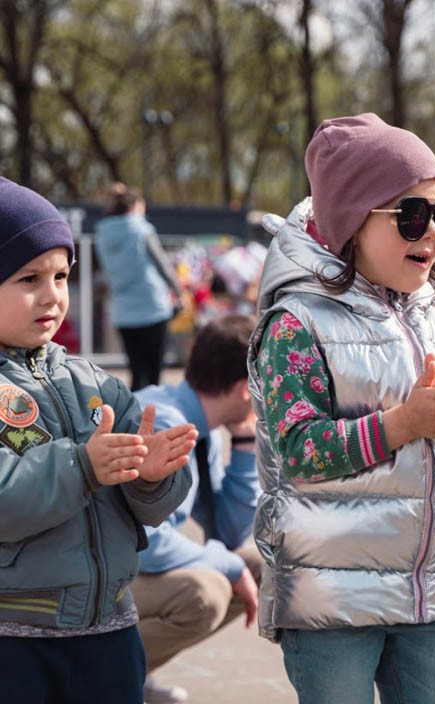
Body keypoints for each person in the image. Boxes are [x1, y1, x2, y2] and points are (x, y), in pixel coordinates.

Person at [248, 113, 435, 704]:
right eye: (411, 216)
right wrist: (404, 423)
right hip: (329, 599)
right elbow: (300, 453)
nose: (432, 233)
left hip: (429, 591)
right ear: (351, 222)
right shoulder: (296, 322)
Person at [0, 177, 197, 704]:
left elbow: (149, 506)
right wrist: (81, 466)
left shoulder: (95, 382)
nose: (52, 295)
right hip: (14, 641)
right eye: (28, 278)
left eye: (62, 276)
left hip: (109, 629)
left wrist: (153, 476)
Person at [131, 314, 261, 704]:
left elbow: (228, 533)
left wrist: (244, 446)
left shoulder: (195, 423)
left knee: (260, 563)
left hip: (119, 571)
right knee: (205, 592)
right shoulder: (169, 426)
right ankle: (92, 678)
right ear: (243, 389)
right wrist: (228, 565)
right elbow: (147, 542)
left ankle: (135, 675)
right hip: (86, 578)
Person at [94, 182, 184, 391]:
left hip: (122, 310)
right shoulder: (141, 229)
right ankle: (154, 417)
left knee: (136, 370)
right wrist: (178, 291)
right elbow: (161, 263)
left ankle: (133, 417)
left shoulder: (102, 235)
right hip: (151, 305)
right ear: (134, 206)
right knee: (154, 373)